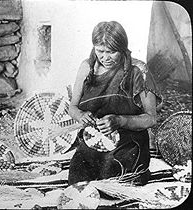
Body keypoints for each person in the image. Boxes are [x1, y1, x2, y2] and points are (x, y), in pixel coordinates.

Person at [68, 21, 162, 186]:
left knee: (111, 173)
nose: (105, 57)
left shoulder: (139, 71)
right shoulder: (87, 67)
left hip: (129, 143)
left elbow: (151, 118)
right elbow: (72, 107)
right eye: (100, 51)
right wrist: (81, 115)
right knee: (78, 174)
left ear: (123, 49)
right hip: (94, 140)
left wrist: (119, 120)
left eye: (111, 52)